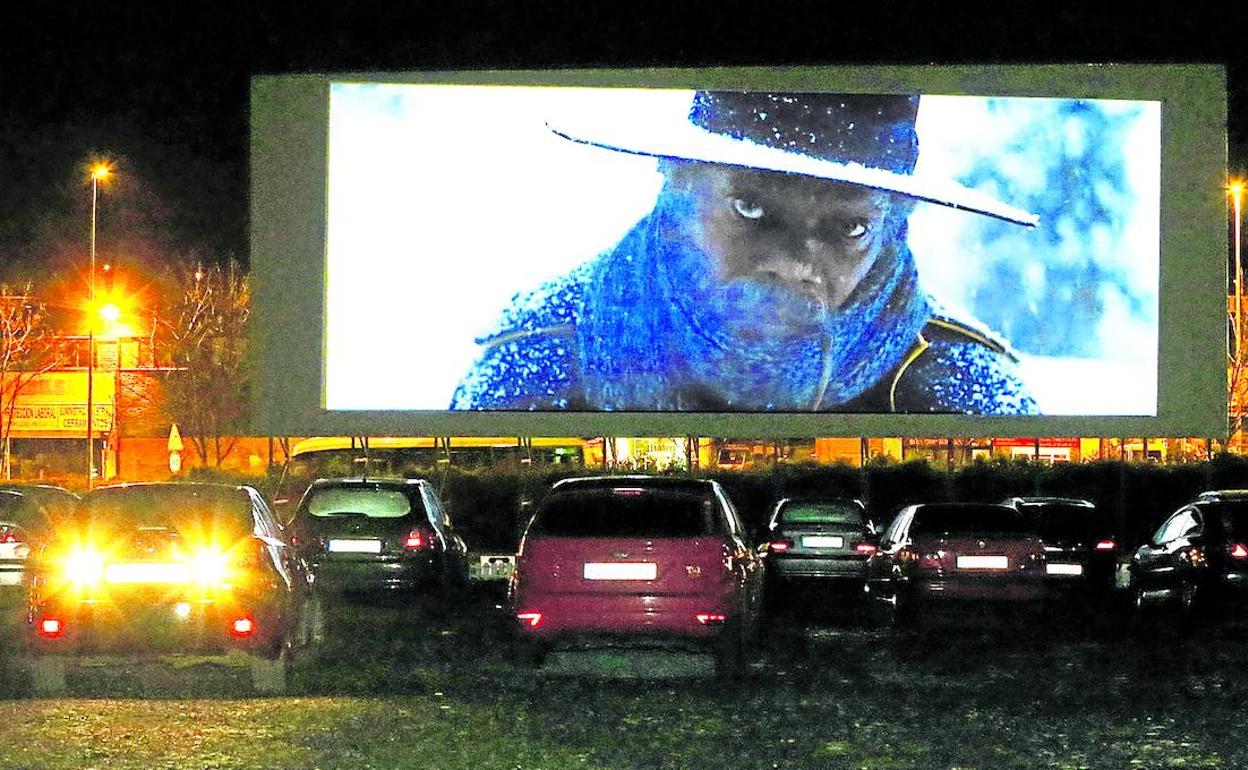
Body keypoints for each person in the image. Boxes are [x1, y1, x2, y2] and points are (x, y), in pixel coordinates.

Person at [451, 91, 1040, 414]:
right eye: (751, 209)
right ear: (677, 184)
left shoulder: (960, 385)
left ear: (893, 227)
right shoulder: (541, 354)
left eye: (850, 228)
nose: (795, 262)